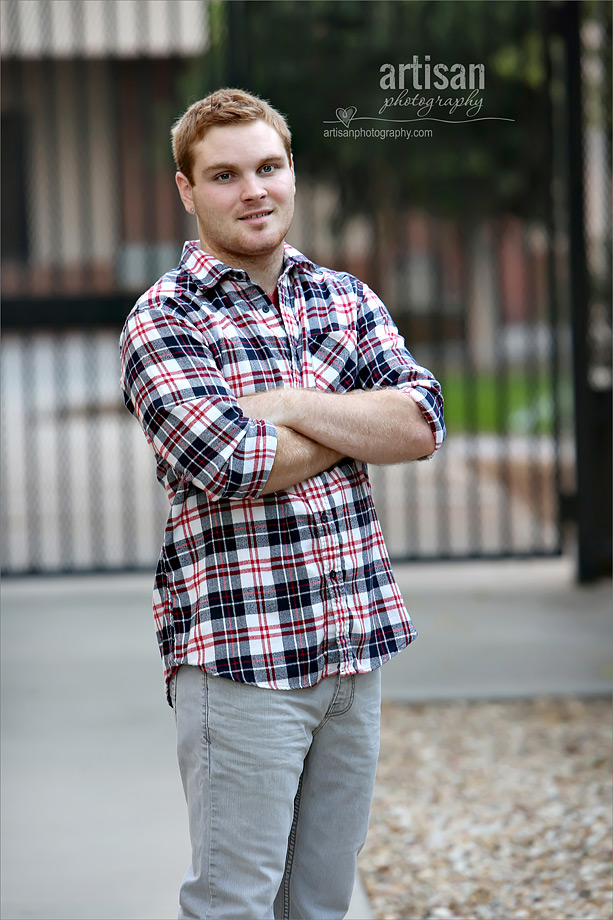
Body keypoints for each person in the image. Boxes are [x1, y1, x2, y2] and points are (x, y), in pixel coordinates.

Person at [119, 87, 445, 920]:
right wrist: (354, 419)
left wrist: (294, 402)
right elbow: (230, 459)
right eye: (224, 175)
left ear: (293, 171)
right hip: (242, 661)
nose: (253, 190)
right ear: (187, 190)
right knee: (236, 903)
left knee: (320, 905)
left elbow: (419, 422)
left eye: (269, 167)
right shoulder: (164, 321)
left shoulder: (344, 298)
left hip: (352, 647)